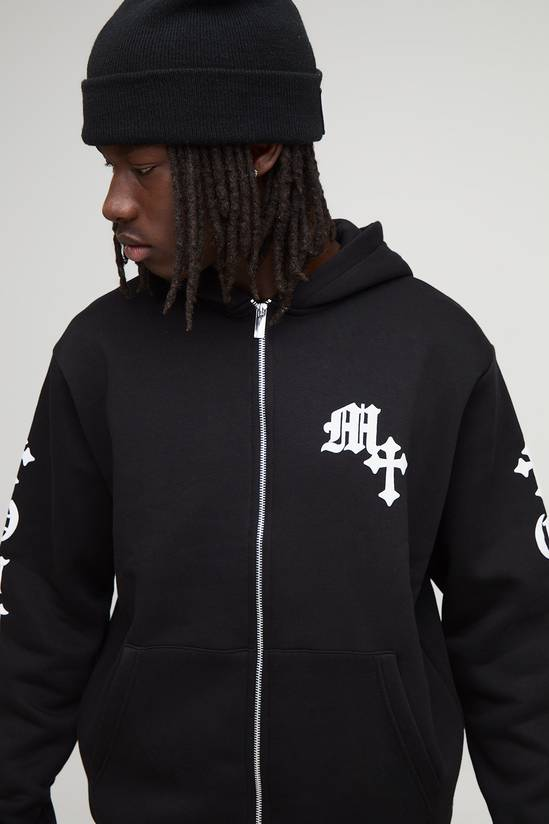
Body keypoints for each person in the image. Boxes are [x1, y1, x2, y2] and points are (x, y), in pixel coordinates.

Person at [0, 1, 548, 822]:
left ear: (260, 150)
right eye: (108, 168)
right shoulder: (102, 353)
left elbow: (514, 629)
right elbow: (38, 610)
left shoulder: (431, 348)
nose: (114, 204)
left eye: (143, 169)